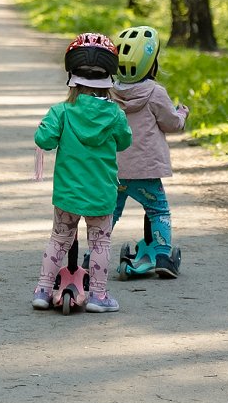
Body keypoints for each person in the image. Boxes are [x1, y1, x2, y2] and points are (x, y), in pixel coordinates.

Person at [32, 33, 132, 313]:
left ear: (72, 77)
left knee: (59, 239)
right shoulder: (114, 115)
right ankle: (99, 296)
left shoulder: (62, 112)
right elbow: (125, 142)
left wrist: (43, 127)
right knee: (100, 241)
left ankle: (42, 289)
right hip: (101, 195)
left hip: (68, 195)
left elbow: (44, 141)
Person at [110, 25, 189, 278]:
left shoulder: (109, 91)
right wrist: (182, 113)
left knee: (109, 213)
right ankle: (163, 256)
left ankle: (93, 255)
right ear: (151, 65)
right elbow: (171, 123)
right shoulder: (155, 93)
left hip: (116, 171)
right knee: (158, 210)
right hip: (146, 172)